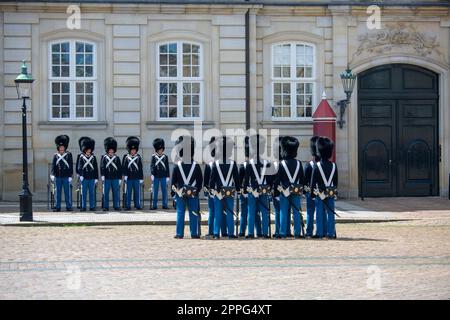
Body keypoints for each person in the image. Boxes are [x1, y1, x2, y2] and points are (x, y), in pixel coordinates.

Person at [243, 134, 275, 239]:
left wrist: (246, 190)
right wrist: (267, 188)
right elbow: (270, 180)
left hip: (253, 191)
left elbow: (246, 181)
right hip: (264, 191)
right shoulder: (267, 163)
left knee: (251, 212)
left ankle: (251, 233)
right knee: (264, 213)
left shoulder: (249, 163)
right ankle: (265, 233)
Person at [171, 135, 203, 239]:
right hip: (193, 193)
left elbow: (173, 183)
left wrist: (174, 194)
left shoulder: (177, 166)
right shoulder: (196, 166)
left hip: (180, 194)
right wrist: (196, 191)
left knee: (180, 214)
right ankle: (194, 233)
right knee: (193, 213)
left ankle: (179, 233)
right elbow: (200, 181)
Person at [209, 136, 240, 239]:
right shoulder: (233, 163)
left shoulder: (216, 164)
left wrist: (213, 191)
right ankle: (231, 233)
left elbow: (212, 181)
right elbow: (237, 179)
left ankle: (216, 233)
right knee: (230, 212)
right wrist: (238, 190)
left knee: (218, 213)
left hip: (218, 192)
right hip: (229, 192)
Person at [276, 136, 305, 239]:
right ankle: (297, 232)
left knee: (283, 212)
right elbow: (302, 179)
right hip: (296, 191)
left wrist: (276, 192)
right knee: (296, 212)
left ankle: (283, 232)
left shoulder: (281, 164)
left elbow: (277, 180)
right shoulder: (299, 163)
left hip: (284, 191)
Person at [311, 137, 338, 239]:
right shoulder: (334, 165)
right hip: (330, 192)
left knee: (319, 213)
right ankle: (330, 233)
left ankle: (320, 232)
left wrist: (312, 194)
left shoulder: (317, 166)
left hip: (320, 193)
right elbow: (335, 182)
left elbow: (313, 182)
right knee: (330, 213)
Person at [50, 135, 73, 212]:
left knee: (67, 192)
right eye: (60, 147)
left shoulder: (69, 155)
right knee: (57, 193)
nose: (62, 148)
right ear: (58, 148)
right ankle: (57, 206)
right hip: (58, 176)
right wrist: (52, 174)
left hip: (66, 176)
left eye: (63, 147)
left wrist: (70, 175)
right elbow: (53, 165)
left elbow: (70, 165)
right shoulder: (56, 155)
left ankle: (68, 206)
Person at [304, 136, 320, 238]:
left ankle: (309, 232)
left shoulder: (308, 165)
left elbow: (305, 180)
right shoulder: (322, 164)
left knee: (310, 212)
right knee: (320, 213)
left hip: (310, 191)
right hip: (321, 192)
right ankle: (320, 230)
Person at [100, 137, 122, 212]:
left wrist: (120, 178)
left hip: (115, 177)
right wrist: (102, 175)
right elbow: (102, 167)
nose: (111, 151)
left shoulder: (117, 158)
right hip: (107, 177)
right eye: (110, 150)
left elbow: (119, 168)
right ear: (108, 150)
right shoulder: (104, 157)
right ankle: (106, 206)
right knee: (106, 193)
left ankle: (116, 206)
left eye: (112, 150)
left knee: (116, 192)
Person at [122, 136, 144, 210]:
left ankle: (137, 204)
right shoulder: (126, 157)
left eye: (134, 150)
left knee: (137, 193)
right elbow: (124, 167)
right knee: (128, 193)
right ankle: (128, 205)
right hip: (129, 178)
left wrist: (141, 178)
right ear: (129, 150)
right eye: (132, 150)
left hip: (137, 177)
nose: (133, 151)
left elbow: (140, 168)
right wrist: (125, 175)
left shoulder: (138, 157)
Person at [77, 137, 98, 211]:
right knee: (84, 193)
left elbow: (95, 168)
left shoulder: (93, 157)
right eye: (87, 150)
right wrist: (81, 175)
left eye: (90, 150)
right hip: (85, 177)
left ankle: (92, 206)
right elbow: (80, 167)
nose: (89, 151)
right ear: (85, 150)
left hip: (92, 177)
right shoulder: (81, 157)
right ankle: (83, 206)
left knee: (92, 193)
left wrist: (96, 178)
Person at [203, 136, 218, 237]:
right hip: (221, 191)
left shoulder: (209, 163)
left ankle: (211, 231)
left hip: (212, 191)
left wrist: (206, 191)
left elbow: (206, 180)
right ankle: (222, 231)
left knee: (212, 212)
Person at [150, 138, 170, 210]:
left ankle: (165, 204)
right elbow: (152, 166)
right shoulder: (154, 157)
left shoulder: (165, 157)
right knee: (155, 191)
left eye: (161, 149)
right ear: (157, 150)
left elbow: (167, 167)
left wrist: (168, 176)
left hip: (163, 176)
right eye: (159, 149)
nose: (160, 150)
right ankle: (154, 205)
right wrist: (152, 174)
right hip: (156, 176)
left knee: (164, 191)